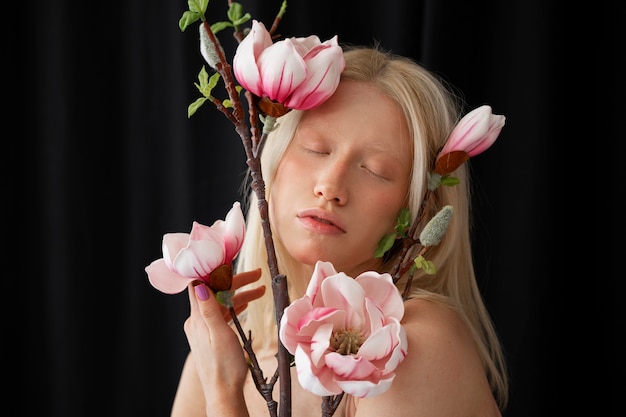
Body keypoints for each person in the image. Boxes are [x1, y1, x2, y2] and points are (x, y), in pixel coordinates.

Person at [170, 45, 509, 417]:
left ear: (417, 212)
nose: (330, 186)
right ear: (271, 161)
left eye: (375, 170)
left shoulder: (407, 345)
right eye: (315, 149)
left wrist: (222, 396)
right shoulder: (225, 353)